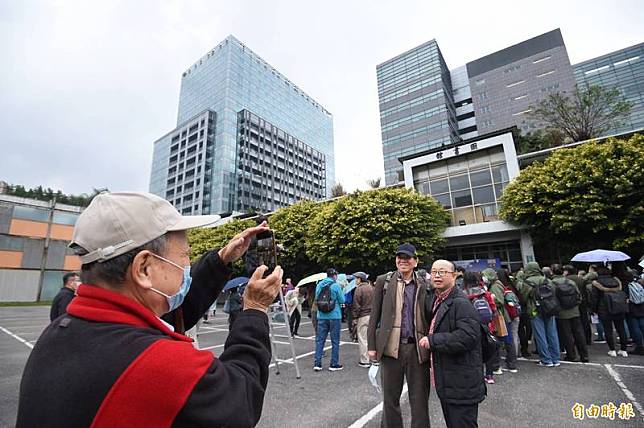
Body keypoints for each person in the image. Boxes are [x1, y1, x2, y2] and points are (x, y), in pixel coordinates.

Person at [17, 192, 283, 428]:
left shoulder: (60, 332)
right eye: (184, 255)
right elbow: (240, 400)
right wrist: (255, 309)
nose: (187, 264)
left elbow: (171, 316)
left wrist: (223, 258)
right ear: (144, 268)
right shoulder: (161, 366)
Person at [367, 243, 430, 428]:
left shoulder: (424, 284)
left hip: (417, 349)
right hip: (389, 348)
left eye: (407, 258)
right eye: (399, 257)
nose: (402, 261)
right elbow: (374, 316)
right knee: (390, 398)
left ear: (415, 262)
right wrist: (371, 346)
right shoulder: (383, 281)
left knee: (419, 400)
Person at [420, 260, 485, 428]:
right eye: (434, 272)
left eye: (442, 272)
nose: (437, 276)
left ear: (454, 276)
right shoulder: (438, 299)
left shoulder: (460, 302)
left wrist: (433, 340)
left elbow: (468, 336)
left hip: (461, 383)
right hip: (450, 381)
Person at [517, 261, 561, 367]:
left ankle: (546, 359)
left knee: (540, 335)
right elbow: (554, 292)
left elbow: (523, 297)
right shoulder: (546, 279)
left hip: (534, 310)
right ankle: (556, 358)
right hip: (549, 309)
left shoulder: (527, 282)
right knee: (552, 334)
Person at [483, 268, 518, 374]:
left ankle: (501, 366)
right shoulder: (497, 284)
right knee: (507, 340)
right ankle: (510, 364)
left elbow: (499, 301)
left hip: (499, 317)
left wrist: (489, 299)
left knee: (500, 341)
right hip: (502, 316)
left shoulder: (495, 286)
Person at [590, 265, 629, 357]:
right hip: (619, 306)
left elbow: (594, 298)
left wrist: (593, 309)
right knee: (621, 328)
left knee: (608, 329)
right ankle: (624, 350)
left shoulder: (596, 283)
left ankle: (612, 350)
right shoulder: (616, 280)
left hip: (604, 308)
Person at [553, 264, 589, 362]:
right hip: (575, 311)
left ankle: (571, 355)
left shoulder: (552, 283)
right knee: (579, 333)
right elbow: (579, 297)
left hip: (561, 313)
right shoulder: (571, 282)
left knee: (567, 335)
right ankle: (584, 355)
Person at [313, 268, 345, 371]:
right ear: (335, 275)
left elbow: (316, 298)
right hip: (334, 316)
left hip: (321, 315)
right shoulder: (336, 286)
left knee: (320, 340)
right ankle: (333, 364)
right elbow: (342, 300)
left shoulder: (319, 285)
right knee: (335, 341)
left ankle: (317, 364)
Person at [351, 271, 373, 367]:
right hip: (372, 315)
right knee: (370, 338)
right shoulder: (371, 287)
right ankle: (372, 358)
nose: (355, 280)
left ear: (360, 279)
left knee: (363, 338)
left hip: (363, 316)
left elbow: (356, 305)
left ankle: (365, 360)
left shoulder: (359, 289)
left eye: (356, 279)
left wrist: (355, 317)